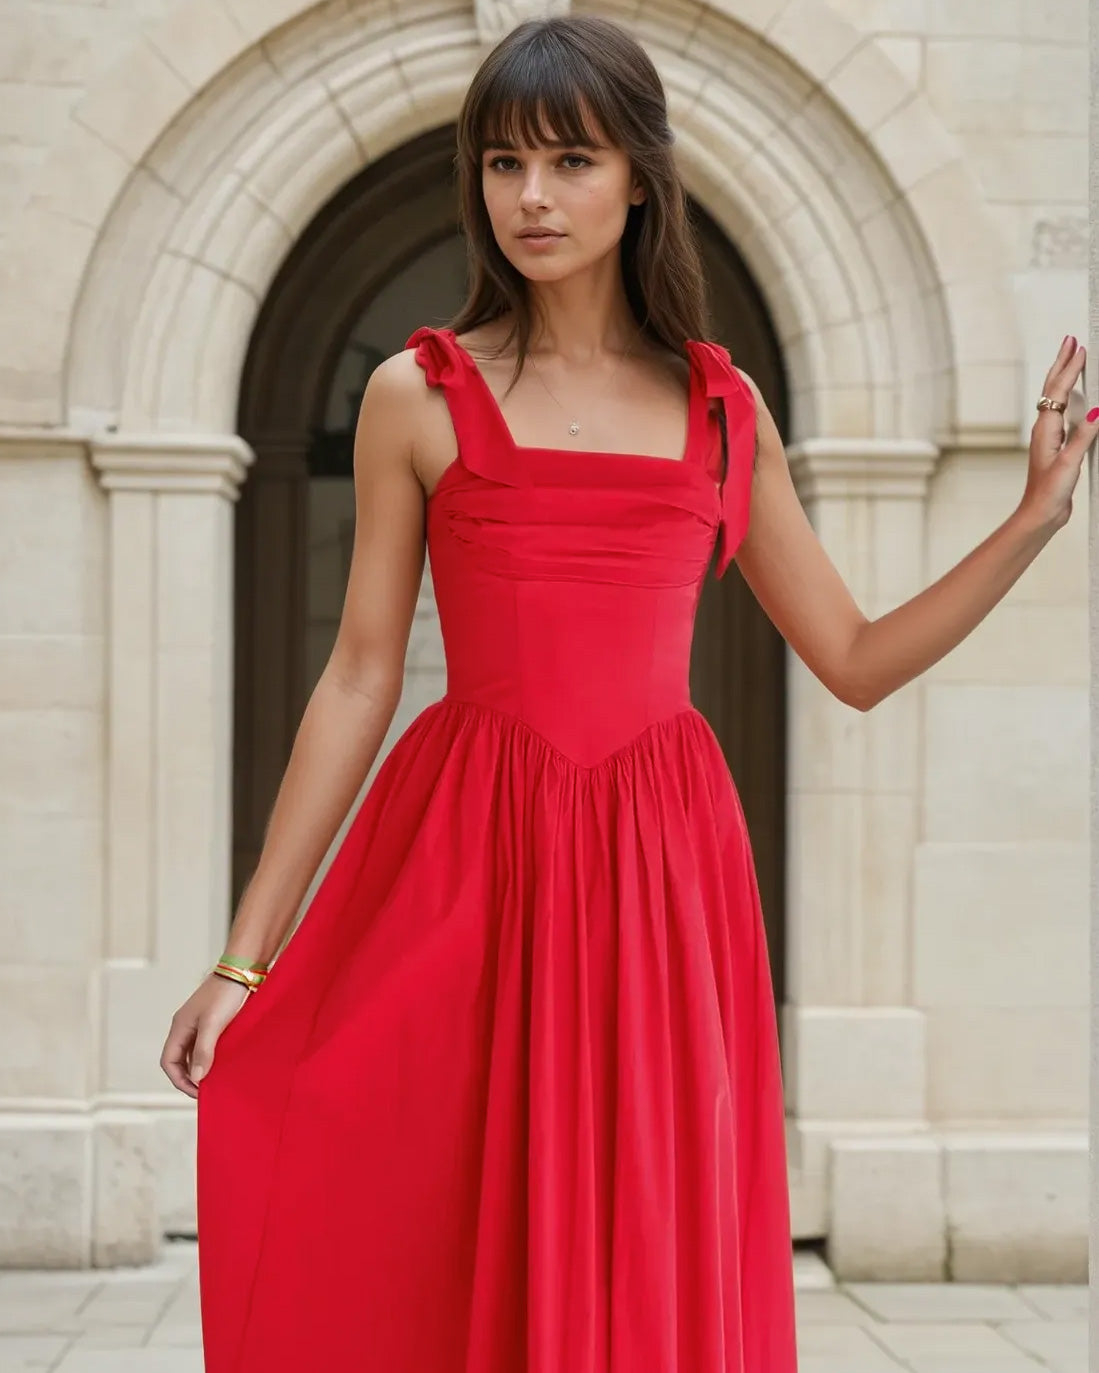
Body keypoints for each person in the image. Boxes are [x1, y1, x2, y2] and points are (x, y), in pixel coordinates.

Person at [159, 14, 1095, 1373]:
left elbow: (855, 656)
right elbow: (361, 672)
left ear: (640, 178)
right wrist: (246, 956)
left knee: (645, 1225)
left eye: (570, 161)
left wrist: (1031, 523)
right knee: (426, 1190)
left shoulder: (724, 410)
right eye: (502, 163)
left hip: (663, 865)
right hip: (469, 849)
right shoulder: (417, 395)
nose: (530, 197)